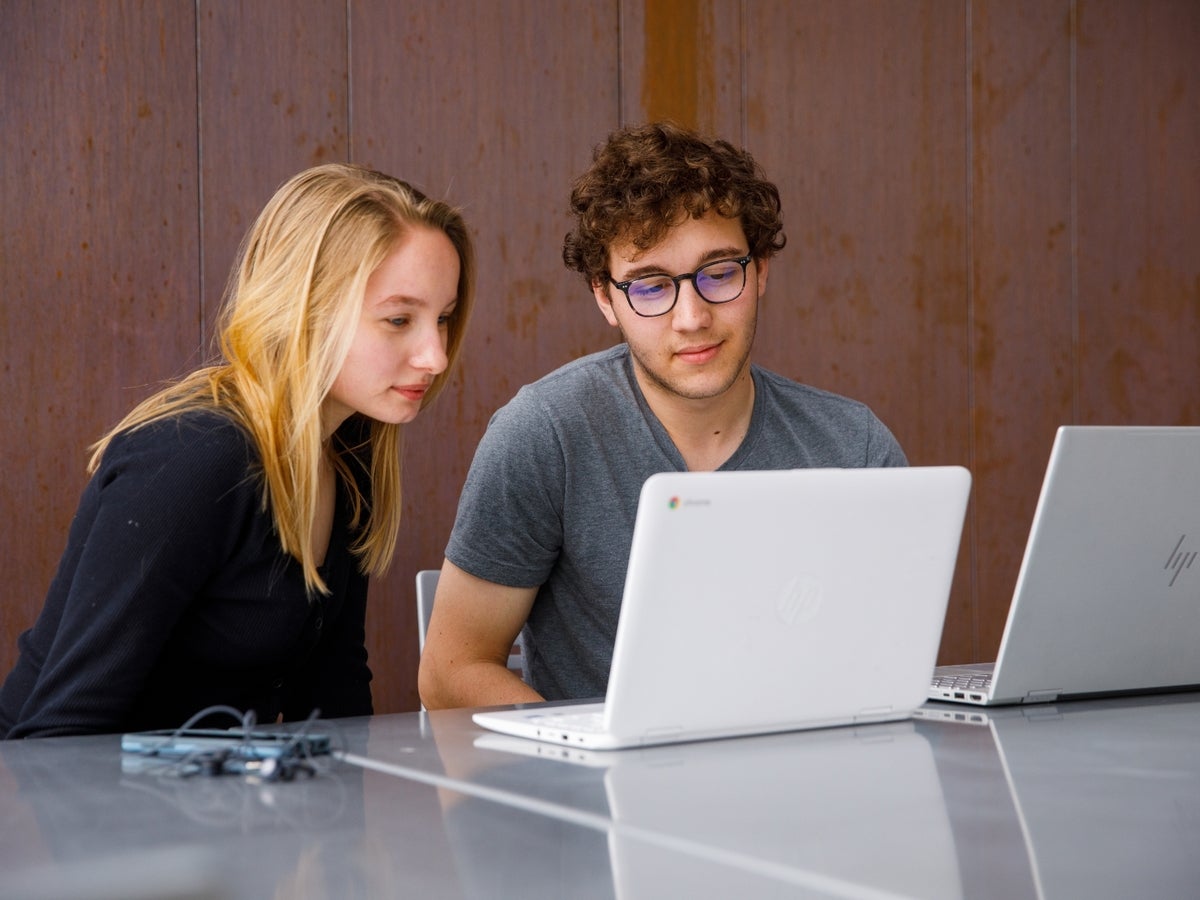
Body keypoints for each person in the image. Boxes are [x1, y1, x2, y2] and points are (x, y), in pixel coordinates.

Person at [418, 121, 905, 710]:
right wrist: (593, 758)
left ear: (761, 272)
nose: (692, 317)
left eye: (720, 273)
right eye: (650, 286)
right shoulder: (545, 433)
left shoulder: (855, 450)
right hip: (600, 793)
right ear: (605, 298)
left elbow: (886, 665)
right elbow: (449, 673)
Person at [0, 163, 475, 738]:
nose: (435, 357)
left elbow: (332, 700)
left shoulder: (347, 458)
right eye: (399, 319)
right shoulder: (196, 460)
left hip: (220, 812)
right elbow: (58, 739)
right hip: (84, 812)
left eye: (443, 319)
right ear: (301, 310)